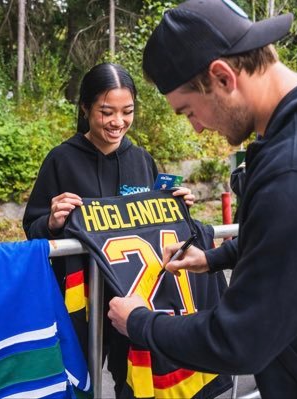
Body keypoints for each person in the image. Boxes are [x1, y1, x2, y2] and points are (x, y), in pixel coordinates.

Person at [107, 0, 297, 397]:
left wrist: (141, 323)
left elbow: (239, 340)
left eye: (188, 111)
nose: (198, 129)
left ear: (222, 77)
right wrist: (215, 258)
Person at [22, 62, 195, 397]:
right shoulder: (60, 159)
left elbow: (156, 225)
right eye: (106, 112)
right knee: (74, 380)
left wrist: (178, 209)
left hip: (134, 296)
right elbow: (33, 227)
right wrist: (53, 221)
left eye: (127, 112)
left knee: (133, 381)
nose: (118, 122)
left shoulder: (142, 159)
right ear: (85, 108)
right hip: (78, 299)